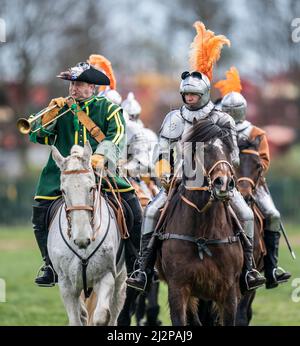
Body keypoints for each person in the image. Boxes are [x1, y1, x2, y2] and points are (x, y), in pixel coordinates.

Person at [126, 21, 266, 292]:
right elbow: (162, 151)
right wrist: (164, 172)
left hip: (218, 182)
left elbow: (234, 155)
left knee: (247, 216)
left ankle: (248, 269)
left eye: (194, 94)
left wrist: (222, 175)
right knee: (152, 211)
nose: (189, 98)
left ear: (203, 95)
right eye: (186, 94)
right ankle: (143, 269)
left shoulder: (222, 118)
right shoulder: (173, 118)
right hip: (182, 179)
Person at [29, 61, 142, 286]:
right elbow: (37, 136)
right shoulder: (59, 108)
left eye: (79, 84)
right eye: (72, 84)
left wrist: (101, 156)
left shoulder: (107, 108)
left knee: (133, 208)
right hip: (59, 175)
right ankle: (49, 265)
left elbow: (117, 134)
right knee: (39, 214)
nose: (73, 89)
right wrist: (50, 114)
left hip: (102, 171)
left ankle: (136, 265)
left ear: (92, 87)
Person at [215, 67, 291, 289]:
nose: (230, 114)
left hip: (253, 184)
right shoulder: (218, 130)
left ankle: (271, 267)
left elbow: (264, 161)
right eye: (227, 110)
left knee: (273, 214)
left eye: (233, 110)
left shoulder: (256, 133)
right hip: (224, 183)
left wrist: (250, 180)